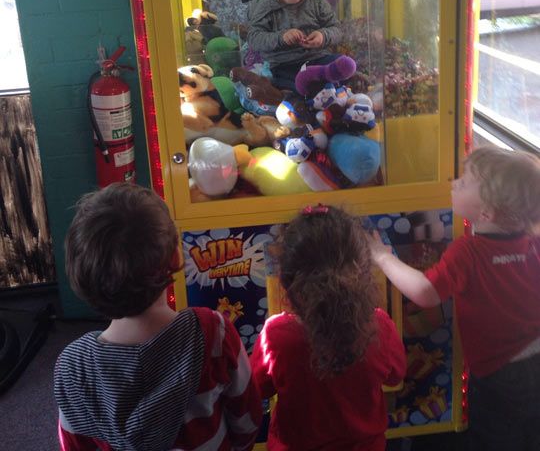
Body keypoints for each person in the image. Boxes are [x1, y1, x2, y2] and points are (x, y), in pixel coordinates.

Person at [54, 183, 261, 451]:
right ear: (176, 257)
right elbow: (247, 417)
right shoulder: (212, 332)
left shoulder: (72, 368)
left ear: (80, 275)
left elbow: (74, 445)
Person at [369, 146, 540, 451]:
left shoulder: (469, 252)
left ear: (486, 213)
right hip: (535, 355)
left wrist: (383, 258)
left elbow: (424, 292)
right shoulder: (532, 243)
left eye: (462, 182)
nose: (452, 183)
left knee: (496, 433)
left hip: (497, 370)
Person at [250, 205, 406, 451]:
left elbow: (259, 387)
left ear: (287, 281)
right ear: (362, 272)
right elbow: (396, 375)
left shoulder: (275, 336)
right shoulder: (379, 326)